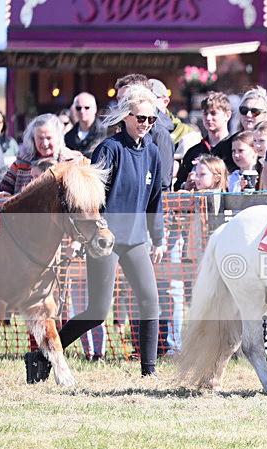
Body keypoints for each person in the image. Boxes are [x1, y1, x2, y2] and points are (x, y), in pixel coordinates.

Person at [26, 84, 165, 380]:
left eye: (151, 120)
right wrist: (86, 236)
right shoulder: (109, 149)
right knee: (98, 312)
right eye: (141, 118)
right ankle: (41, 356)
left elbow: (155, 200)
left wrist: (159, 237)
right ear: (126, 116)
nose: (146, 124)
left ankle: (149, 372)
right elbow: (89, 198)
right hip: (105, 241)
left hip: (136, 239)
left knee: (151, 302)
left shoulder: (153, 152)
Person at [0, 113, 83, 197]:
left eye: (49, 138)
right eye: (40, 138)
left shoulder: (71, 162)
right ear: (33, 138)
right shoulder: (22, 162)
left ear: (58, 137)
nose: (45, 143)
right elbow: (3, 188)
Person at [115, 73, 175, 192]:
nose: (120, 104)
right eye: (118, 99)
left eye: (125, 99)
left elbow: (162, 182)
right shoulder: (120, 128)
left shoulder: (159, 132)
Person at [174, 91, 235, 191]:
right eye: (205, 113)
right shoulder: (194, 151)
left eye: (213, 113)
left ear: (227, 115)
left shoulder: (234, 148)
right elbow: (178, 185)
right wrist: (186, 185)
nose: (208, 118)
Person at [64, 92, 108, 158]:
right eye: (78, 108)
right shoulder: (69, 136)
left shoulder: (106, 132)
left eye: (87, 107)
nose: (82, 111)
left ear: (95, 108)